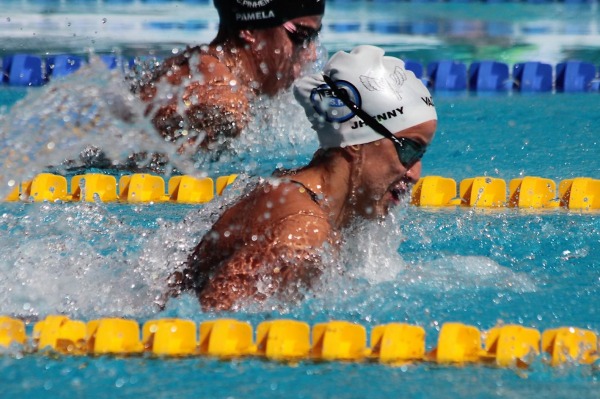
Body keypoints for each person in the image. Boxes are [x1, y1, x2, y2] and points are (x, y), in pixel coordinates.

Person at [168, 45, 437, 311]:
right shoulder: (303, 230)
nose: (414, 173)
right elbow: (210, 325)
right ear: (357, 141)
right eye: (408, 149)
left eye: (422, 154)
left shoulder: (305, 198)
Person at [137, 0, 326, 154]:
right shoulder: (226, 105)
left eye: (315, 37)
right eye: (302, 35)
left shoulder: (197, 63)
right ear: (250, 29)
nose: (312, 53)